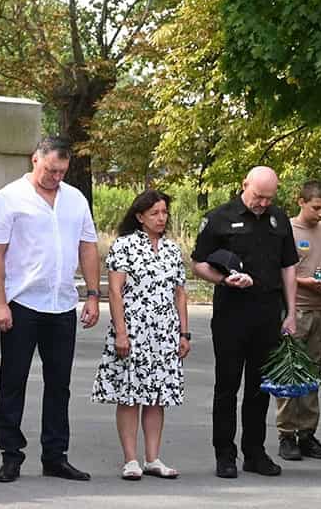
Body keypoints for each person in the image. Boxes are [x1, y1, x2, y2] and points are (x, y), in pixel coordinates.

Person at [0, 137, 100, 483]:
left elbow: (88, 247)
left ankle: (55, 455)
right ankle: (10, 456)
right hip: (22, 303)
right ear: (35, 159)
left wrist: (93, 295)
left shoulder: (75, 198)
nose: (55, 177)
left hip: (62, 302)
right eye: (50, 170)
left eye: (62, 172)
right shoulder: (8, 198)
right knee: (13, 381)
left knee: (59, 384)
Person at [191, 166, 300, 479]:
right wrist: (224, 281)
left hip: (267, 314)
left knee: (259, 388)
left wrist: (290, 313)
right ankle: (225, 454)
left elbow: (288, 267)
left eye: (269, 198)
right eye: (258, 196)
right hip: (231, 314)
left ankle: (255, 452)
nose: (263, 203)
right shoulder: (220, 218)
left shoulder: (279, 219)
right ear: (244, 186)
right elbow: (199, 263)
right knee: (227, 386)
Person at [92, 190, 188, 480]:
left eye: (164, 212)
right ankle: (131, 459)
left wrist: (184, 333)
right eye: (154, 213)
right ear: (140, 217)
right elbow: (115, 291)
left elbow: (180, 293)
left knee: (157, 395)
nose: (161, 218)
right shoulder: (125, 246)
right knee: (130, 394)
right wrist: (121, 332)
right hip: (134, 329)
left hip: (165, 331)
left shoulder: (171, 249)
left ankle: (153, 458)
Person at [276, 180, 321, 462]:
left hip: (319, 309)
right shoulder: (285, 228)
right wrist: (303, 282)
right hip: (293, 309)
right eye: (316, 208)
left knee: (313, 373)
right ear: (300, 201)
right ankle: (286, 433)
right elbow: (278, 271)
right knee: (290, 371)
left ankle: (307, 433)